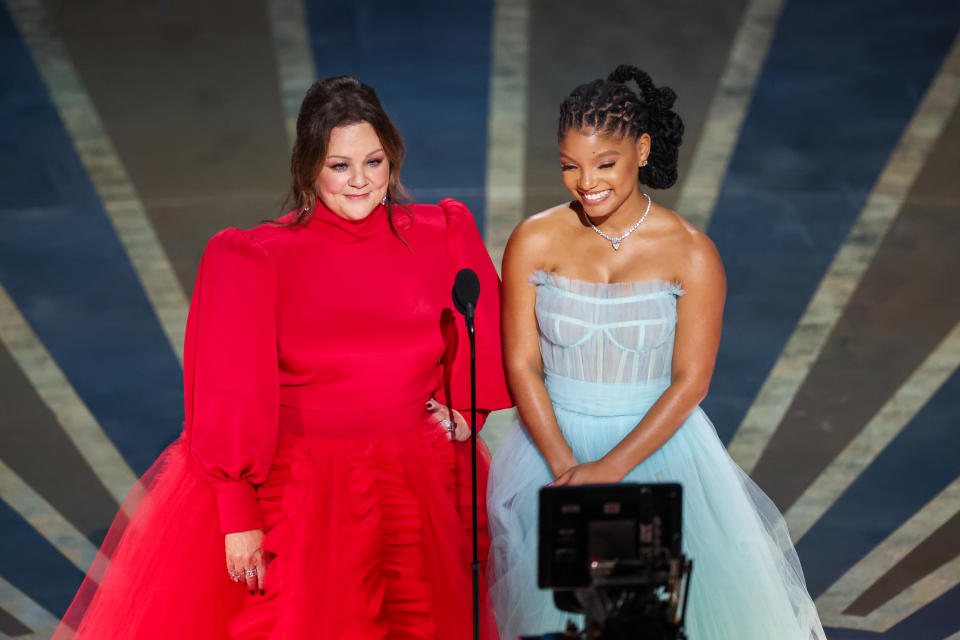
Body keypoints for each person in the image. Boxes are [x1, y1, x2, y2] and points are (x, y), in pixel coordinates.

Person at [54, 76, 511, 640]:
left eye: (374, 161)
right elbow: (227, 392)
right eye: (339, 165)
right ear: (308, 166)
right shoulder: (256, 258)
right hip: (303, 495)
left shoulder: (442, 233)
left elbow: (482, 327)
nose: (361, 181)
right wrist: (237, 515)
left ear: (392, 157)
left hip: (417, 482)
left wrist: (467, 409)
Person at [486, 65, 826, 640]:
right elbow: (521, 363)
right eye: (570, 165)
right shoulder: (533, 240)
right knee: (556, 619)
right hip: (548, 454)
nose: (586, 182)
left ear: (641, 150)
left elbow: (690, 381)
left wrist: (610, 473)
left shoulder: (692, 253)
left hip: (659, 457)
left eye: (604, 163)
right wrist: (570, 473)